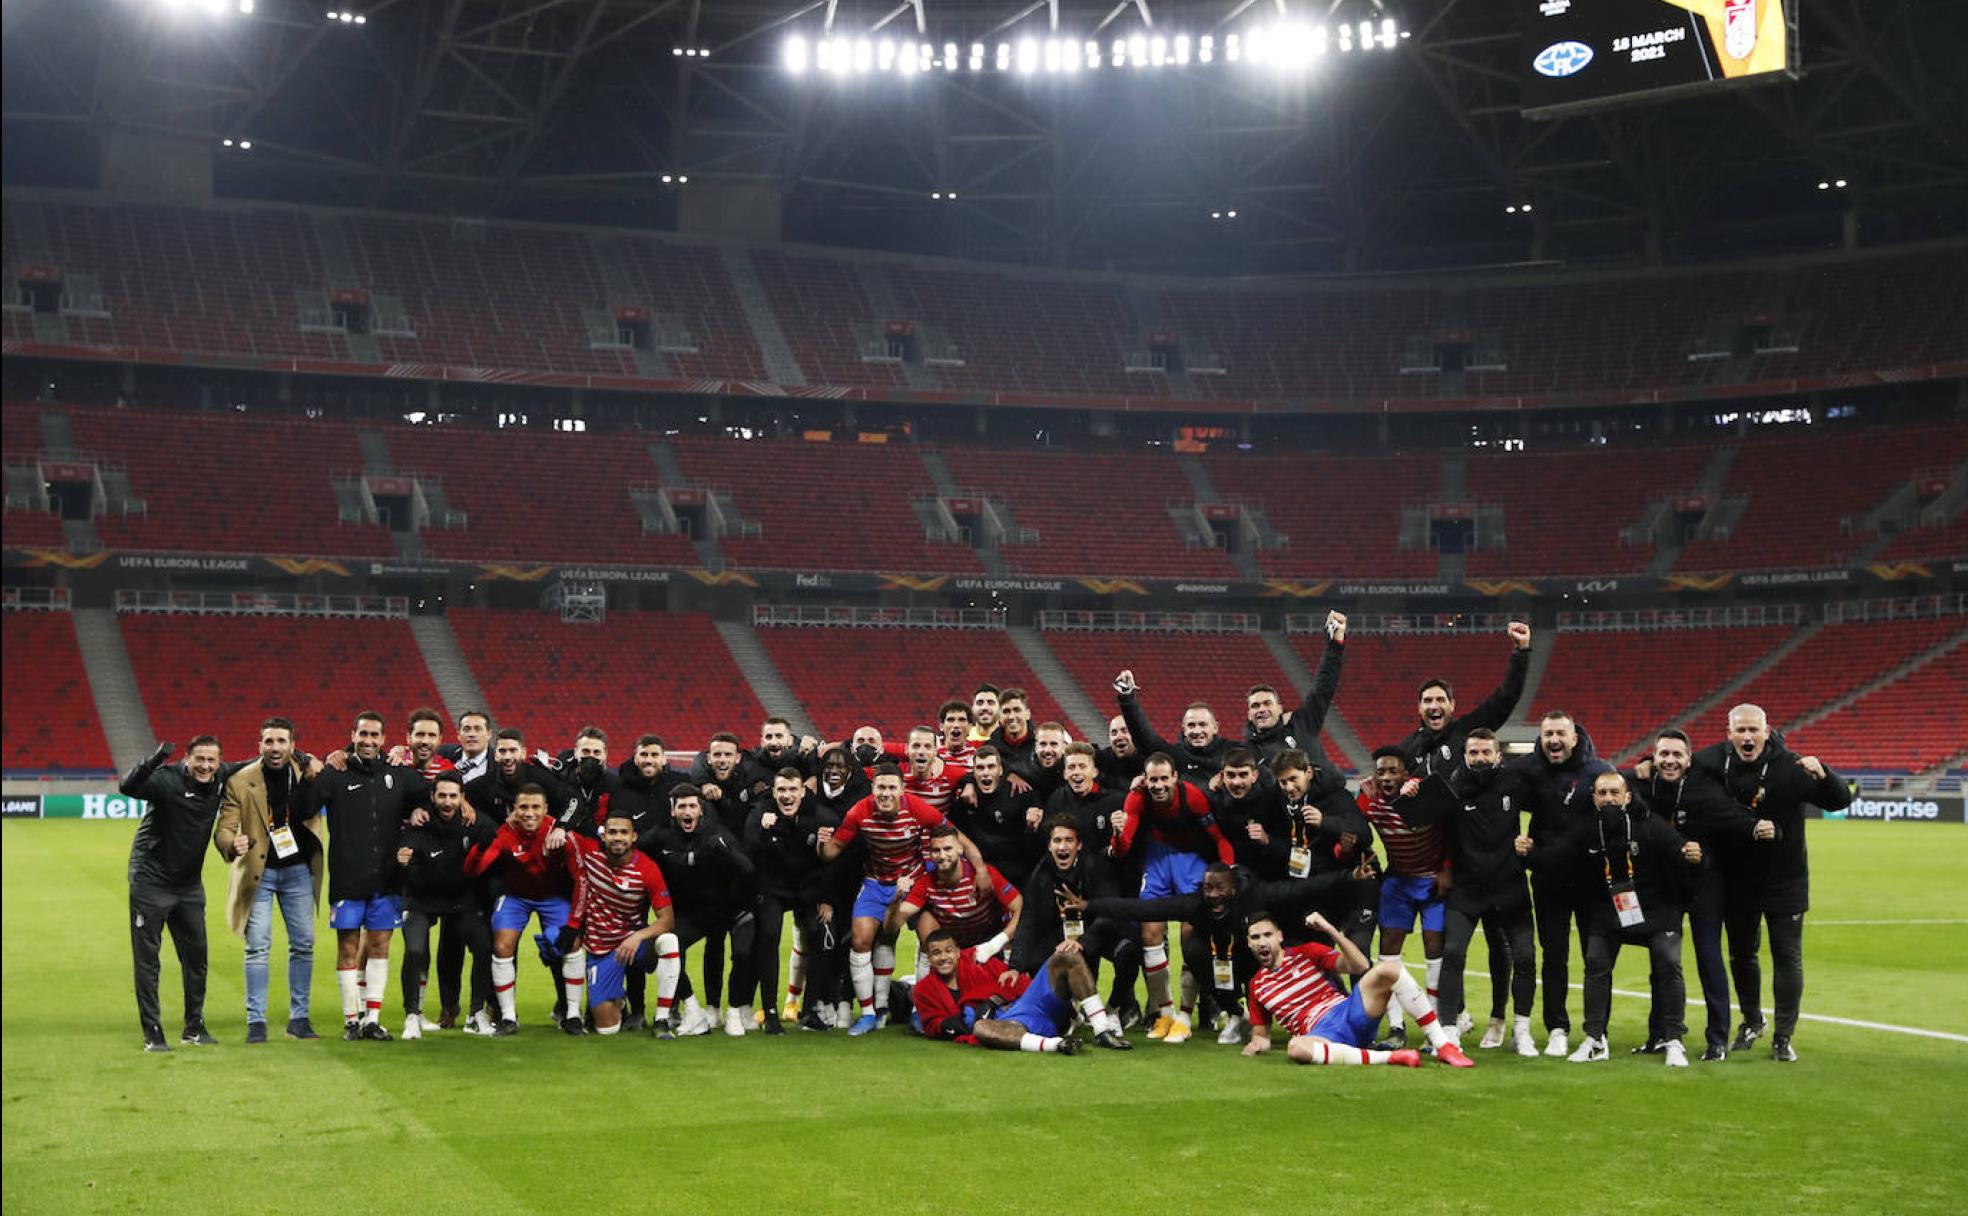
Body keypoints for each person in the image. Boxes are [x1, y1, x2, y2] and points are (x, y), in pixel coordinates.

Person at [1694, 704, 1851, 1062]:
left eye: (1753, 730)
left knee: (1787, 957)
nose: (1747, 737)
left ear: (1767, 731)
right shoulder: (1712, 762)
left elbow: (1841, 800)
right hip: (1738, 878)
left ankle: (1783, 1035)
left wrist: (1824, 774)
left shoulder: (1792, 766)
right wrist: (1644, 763)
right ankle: (1751, 1021)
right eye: (1740, 730)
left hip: (1786, 878)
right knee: (1742, 954)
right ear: (1728, 732)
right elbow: (1676, 766)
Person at [1521, 771, 1702, 1066]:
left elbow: (1681, 855)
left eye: (1614, 793)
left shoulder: (1649, 824)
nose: (1608, 798)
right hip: (1609, 912)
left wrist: (1695, 858)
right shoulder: (1586, 829)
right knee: (1595, 962)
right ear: (1593, 798)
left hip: (1656, 910)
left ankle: (1673, 1040)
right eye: (1602, 793)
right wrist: (1528, 854)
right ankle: (1595, 1039)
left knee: (1668, 963)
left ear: (1627, 797)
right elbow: (1555, 859)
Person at [820, 765, 992, 1035]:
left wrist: (980, 869)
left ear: (901, 790)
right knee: (861, 940)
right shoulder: (859, 812)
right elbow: (832, 851)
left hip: (914, 882)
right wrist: (821, 843)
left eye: (891, 788)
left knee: (928, 939)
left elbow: (956, 837)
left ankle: (920, 1011)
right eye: (881, 788)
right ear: (873, 789)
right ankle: (870, 1013)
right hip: (876, 883)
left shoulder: (918, 808)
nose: (886, 793)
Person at [1629, 728, 1767, 1060]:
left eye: (1677, 755)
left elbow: (1736, 818)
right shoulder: (1645, 787)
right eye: (1663, 754)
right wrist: (1640, 767)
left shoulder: (1703, 790)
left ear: (1689, 760)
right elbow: (1613, 784)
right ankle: (1658, 1034)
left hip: (1706, 886)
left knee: (1709, 959)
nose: (1670, 761)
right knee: (1663, 962)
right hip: (1667, 889)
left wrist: (1758, 827)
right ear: (1655, 756)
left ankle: (1717, 1039)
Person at [316, 711, 433, 1041]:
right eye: (362, 734)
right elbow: (305, 803)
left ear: (384, 739)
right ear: (352, 734)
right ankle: (351, 1020)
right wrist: (319, 763)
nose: (368, 741)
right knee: (348, 948)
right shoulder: (336, 772)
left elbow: (428, 798)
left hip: (387, 878)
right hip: (347, 878)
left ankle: (372, 1018)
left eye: (374, 735)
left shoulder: (398, 773)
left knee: (380, 945)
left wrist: (417, 816)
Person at [125, 736, 246, 1051]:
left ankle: (194, 1027)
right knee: (148, 961)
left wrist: (300, 757)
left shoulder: (221, 776)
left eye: (211, 761)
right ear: (188, 759)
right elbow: (128, 787)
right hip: (150, 882)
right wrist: (153, 760)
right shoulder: (165, 780)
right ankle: (153, 1032)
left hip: (189, 886)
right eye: (199, 760)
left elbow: (259, 763)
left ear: (219, 763)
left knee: (197, 958)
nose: (206, 766)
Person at [1110, 753, 1238, 1043]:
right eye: (1152, 779)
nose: (1158, 785)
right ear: (1145, 779)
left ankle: (1184, 1016)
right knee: (1149, 933)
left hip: (1192, 862)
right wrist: (1117, 835)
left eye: (1163, 779)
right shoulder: (1136, 798)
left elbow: (1219, 838)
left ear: (1174, 777)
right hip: (1156, 861)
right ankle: (1166, 1012)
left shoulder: (1192, 796)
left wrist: (1228, 874)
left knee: (1190, 937)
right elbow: (1122, 848)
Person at [1508, 710, 1614, 1058]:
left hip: (1592, 880)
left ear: (1574, 737)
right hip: (1548, 878)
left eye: (1560, 733)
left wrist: (1643, 768)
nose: (1554, 740)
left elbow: (1625, 797)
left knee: (1595, 958)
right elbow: (1496, 790)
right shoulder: (1529, 769)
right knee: (1554, 957)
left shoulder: (1597, 771)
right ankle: (1557, 1028)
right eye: (1548, 733)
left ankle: (1598, 1030)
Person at [214, 718, 325, 1043]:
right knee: (258, 947)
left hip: (298, 871)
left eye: (281, 741)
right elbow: (224, 826)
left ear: (292, 744)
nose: (275, 747)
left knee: (303, 944)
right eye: (269, 741)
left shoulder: (308, 772)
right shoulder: (240, 780)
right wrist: (229, 844)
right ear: (259, 745)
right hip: (257, 872)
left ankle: (299, 1019)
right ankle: (256, 1022)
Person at [1243, 911, 1472, 1068]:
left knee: (1388, 969)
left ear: (1279, 936)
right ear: (1248, 943)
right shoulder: (1256, 986)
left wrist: (1330, 930)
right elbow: (1262, 1035)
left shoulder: (1307, 952)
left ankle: (1443, 1045)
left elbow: (1360, 965)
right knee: (1296, 1048)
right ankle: (1391, 1057)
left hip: (1349, 1010)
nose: (1263, 942)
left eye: (1267, 935)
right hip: (1322, 1034)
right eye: (1255, 937)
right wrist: (1257, 1045)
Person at [1439, 730, 1538, 1056]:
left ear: (1498, 756)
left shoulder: (1514, 783)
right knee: (1452, 953)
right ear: (1465, 756)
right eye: (1473, 753)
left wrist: (1531, 842)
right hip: (1466, 890)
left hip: (1509, 888)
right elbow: (1425, 817)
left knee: (1523, 956)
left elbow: (1550, 807)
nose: (1480, 758)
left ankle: (1517, 1029)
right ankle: (1448, 1031)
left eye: (1486, 752)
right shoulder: (1452, 787)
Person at [644, 784, 759, 1036]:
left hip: (731, 910)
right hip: (694, 914)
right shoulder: (661, 836)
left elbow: (748, 871)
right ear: (673, 811)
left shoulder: (717, 834)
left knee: (743, 952)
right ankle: (693, 1009)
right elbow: (636, 851)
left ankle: (734, 1011)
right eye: (682, 806)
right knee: (663, 947)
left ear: (701, 809)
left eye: (692, 805)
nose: (687, 811)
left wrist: (727, 854)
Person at [1355, 746, 1449, 1049]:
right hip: (1397, 882)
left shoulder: (1421, 794)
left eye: (1392, 770)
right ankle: (1396, 1028)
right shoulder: (1371, 801)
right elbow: (1354, 830)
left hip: (1432, 880)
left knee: (1435, 947)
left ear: (1405, 773)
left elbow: (1451, 828)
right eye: (1380, 771)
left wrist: (1447, 869)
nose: (1386, 777)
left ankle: (1436, 1027)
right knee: (1388, 952)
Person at [463, 784, 575, 1035]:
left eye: (536, 807)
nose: (529, 813)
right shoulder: (505, 833)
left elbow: (580, 875)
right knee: (502, 946)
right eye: (523, 807)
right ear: (514, 810)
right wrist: (479, 847)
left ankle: (573, 1014)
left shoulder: (559, 833)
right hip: (516, 897)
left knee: (570, 943)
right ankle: (508, 1017)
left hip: (553, 898)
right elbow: (475, 869)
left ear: (547, 810)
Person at [1010, 813, 1142, 1024]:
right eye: (1057, 841)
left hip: (1100, 932)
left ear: (1079, 845)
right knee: (1035, 960)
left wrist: (1083, 942)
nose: (1063, 847)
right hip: (1062, 935)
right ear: (1049, 846)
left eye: (1068, 840)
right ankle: (1069, 1010)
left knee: (1129, 951)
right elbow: (1029, 922)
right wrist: (1015, 966)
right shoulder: (1040, 874)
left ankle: (1113, 1010)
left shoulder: (1096, 867)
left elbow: (1109, 912)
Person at [562, 807, 682, 1037]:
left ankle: (662, 1020)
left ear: (633, 837)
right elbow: (558, 831)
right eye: (612, 832)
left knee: (669, 941)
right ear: (603, 835)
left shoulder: (647, 868)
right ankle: (619, 1000)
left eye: (624, 832)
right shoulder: (590, 854)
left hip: (634, 942)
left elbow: (667, 920)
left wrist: (637, 936)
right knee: (607, 1029)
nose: (617, 837)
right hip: (601, 949)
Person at [393, 772, 495, 1040]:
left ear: (462, 797)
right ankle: (412, 1015)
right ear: (432, 797)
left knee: (484, 945)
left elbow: (498, 840)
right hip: (421, 900)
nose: (447, 802)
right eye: (442, 795)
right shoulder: (419, 824)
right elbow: (402, 853)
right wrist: (401, 859)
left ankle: (476, 1013)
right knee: (415, 951)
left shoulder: (477, 824)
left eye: (453, 796)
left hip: (461, 901)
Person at [911, 931, 1129, 1052]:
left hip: (1028, 1004)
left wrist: (993, 1001)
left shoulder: (980, 964)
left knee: (1066, 954)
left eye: (948, 951)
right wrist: (951, 1025)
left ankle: (1102, 1031)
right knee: (981, 1028)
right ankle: (1058, 1045)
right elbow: (933, 1026)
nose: (943, 957)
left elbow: (1017, 984)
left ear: (958, 953)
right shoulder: (924, 990)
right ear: (928, 958)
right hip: (1010, 1025)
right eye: (936, 953)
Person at [745, 768, 841, 1033]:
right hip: (773, 888)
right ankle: (770, 1012)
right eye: (781, 790)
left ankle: (809, 1010)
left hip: (808, 890)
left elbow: (832, 863)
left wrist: (827, 899)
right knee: (769, 935)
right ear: (774, 793)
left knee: (822, 934)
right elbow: (749, 852)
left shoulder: (822, 818)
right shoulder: (759, 815)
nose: (787, 795)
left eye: (792, 790)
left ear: (802, 792)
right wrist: (764, 832)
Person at [1397, 621, 1532, 778]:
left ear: (1452, 705)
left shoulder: (1466, 731)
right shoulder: (1406, 748)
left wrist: (1521, 652)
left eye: (1440, 699)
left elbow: (1506, 697)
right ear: (1419, 708)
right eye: (1428, 701)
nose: (1434, 705)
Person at [1244, 612, 1351, 806]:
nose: (1261, 709)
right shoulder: (1248, 752)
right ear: (1249, 714)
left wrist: (1335, 644)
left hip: (1330, 805)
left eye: (1267, 703)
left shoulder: (1302, 722)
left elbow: (1324, 687)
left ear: (1280, 708)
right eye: (1255, 705)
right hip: (1289, 818)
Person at [897, 823, 1023, 958]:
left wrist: (995, 944)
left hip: (989, 943)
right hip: (954, 950)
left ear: (960, 849)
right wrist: (896, 899)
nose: (942, 855)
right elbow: (892, 926)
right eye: (936, 850)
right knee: (924, 920)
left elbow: (1019, 907)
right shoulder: (926, 883)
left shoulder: (983, 876)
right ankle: (930, 970)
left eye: (947, 849)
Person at [1114, 670, 1234, 781]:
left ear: (1215, 728)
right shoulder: (1175, 756)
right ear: (1184, 729)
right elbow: (1145, 738)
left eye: (1203, 725)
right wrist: (1127, 698)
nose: (1197, 731)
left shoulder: (1232, 752)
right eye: (1191, 725)